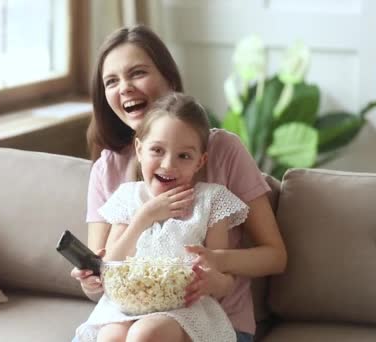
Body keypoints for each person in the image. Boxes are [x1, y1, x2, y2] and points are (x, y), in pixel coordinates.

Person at [71, 25, 287, 342]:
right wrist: (91, 280)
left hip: (211, 319)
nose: (125, 88)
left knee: (146, 336)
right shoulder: (109, 170)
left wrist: (214, 263)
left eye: (137, 73)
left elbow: (275, 256)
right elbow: (106, 273)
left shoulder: (222, 152)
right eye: (112, 81)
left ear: (169, 79)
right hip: (124, 316)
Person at [75, 92, 248, 342]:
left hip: (185, 311)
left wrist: (213, 283)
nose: (168, 164)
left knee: (145, 334)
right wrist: (144, 217)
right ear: (139, 149)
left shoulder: (211, 201)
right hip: (126, 308)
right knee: (109, 337)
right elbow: (110, 266)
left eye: (184, 156)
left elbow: (222, 278)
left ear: (200, 162)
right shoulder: (127, 198)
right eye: (157, 150)